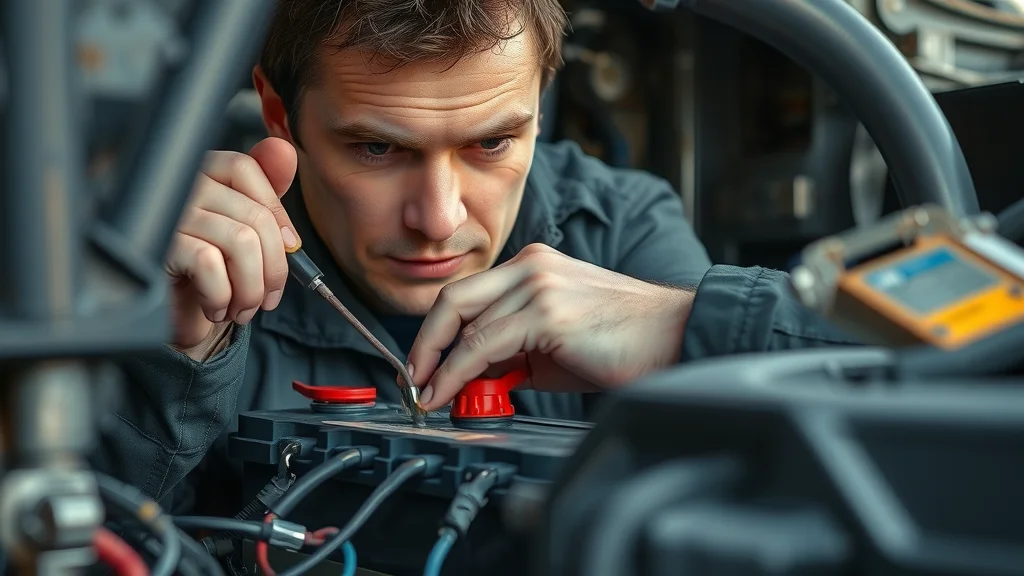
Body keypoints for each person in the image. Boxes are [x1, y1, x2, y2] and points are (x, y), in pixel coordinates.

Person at [89, 0, 726, 516]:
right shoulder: (172, 270)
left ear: (539, 103)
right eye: (375, 148)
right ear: (280, 115)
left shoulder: (625, 233)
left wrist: (687, 328)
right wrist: (168, 363)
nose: (439, 219)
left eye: (494, 141)